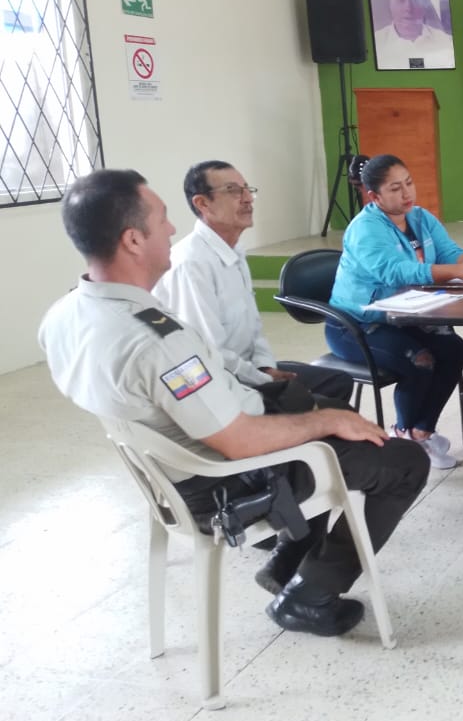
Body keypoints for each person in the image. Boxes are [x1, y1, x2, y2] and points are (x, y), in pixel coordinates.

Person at [38, 169, 428, 637]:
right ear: (133, 240)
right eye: (162, 220)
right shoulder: (155, 341)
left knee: (325, 402)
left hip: (174, 462)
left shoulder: (64, 314)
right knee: (403, 461)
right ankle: (309, 596)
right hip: (225, 480)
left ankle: (289, 558)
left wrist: (310, 409)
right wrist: (323, 422)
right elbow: (240, 440)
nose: (172, 229)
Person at [153, 160, 352, 408]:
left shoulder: (234, 251)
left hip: (248, 370)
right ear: (202, 203)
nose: (247, 198)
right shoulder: (191, 264)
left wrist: (265, 366)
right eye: (233, 191)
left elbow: (253, 329)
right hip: (219, 385)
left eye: (247, 189)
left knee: (338, 383)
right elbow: (209, 353)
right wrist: (261, 378)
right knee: (333, 411)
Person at [328, 154, 463, 470]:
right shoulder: (365, 228)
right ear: (375, 196)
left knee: (454, 349)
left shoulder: (421, 218)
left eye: (408, 183)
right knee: (419, 360)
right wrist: (455, 271)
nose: (407, 193)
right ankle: (404, 432)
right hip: (356, 325)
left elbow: (450, 253)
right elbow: (395, 272)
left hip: (404, 317)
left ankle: (419, 432)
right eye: (395, 188)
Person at [373, 0, 453, 69]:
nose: (408, 7)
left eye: (415, 0)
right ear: (390, 3)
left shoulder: (446, 42)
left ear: (424, 4)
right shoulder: (376, 42)